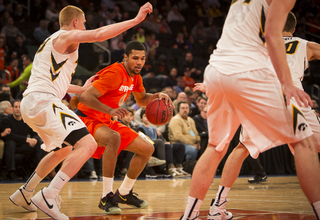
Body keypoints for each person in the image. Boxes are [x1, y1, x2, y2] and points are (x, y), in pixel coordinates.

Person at [9, 3, 153, 220]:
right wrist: (136, 20)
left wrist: (81, 88)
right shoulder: (66, 36)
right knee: (88, 144)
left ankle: (26, 192)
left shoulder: (50, 44)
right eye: (84, 23)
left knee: (64, 150)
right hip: (43, 101)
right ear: (75, 22)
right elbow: (98, 34)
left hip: (34, 101)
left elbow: (56, 82)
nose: (85, 27)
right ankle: (49, 195)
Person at [181, 1, 320, 220]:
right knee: (305, 143)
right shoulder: (301, 41)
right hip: (267, 85)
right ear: (292, 28)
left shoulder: (241, 4)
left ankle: (206, 211)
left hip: (220, 71)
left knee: (219, 147)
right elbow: (273, 35)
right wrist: (286, 84)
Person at [76, 41, 173, 215]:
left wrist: (158, 96)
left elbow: (142, 100)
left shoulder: (135, 76)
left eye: (143, 59)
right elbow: (84, 97)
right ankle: (106, 196)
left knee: (147, 148)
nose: (139, 62)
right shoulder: (114, 73)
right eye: (135, 58)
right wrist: (111, 110)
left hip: (106, 119)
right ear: (126, 57)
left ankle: (124, 193)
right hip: (87, 119)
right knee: (114, 138)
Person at [2, 100, 46, 180]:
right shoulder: (7, 120)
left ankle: (39, 173)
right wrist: (26, 139)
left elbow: (35, 133)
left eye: (20, 107)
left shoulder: (26, 120)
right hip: (12, 148)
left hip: (24, 147)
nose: (18, 109)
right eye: (15, 107)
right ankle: (11, 173)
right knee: (10, 142)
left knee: (40, 143)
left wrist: (34, 139)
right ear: (12, 109)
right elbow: (8, 136)